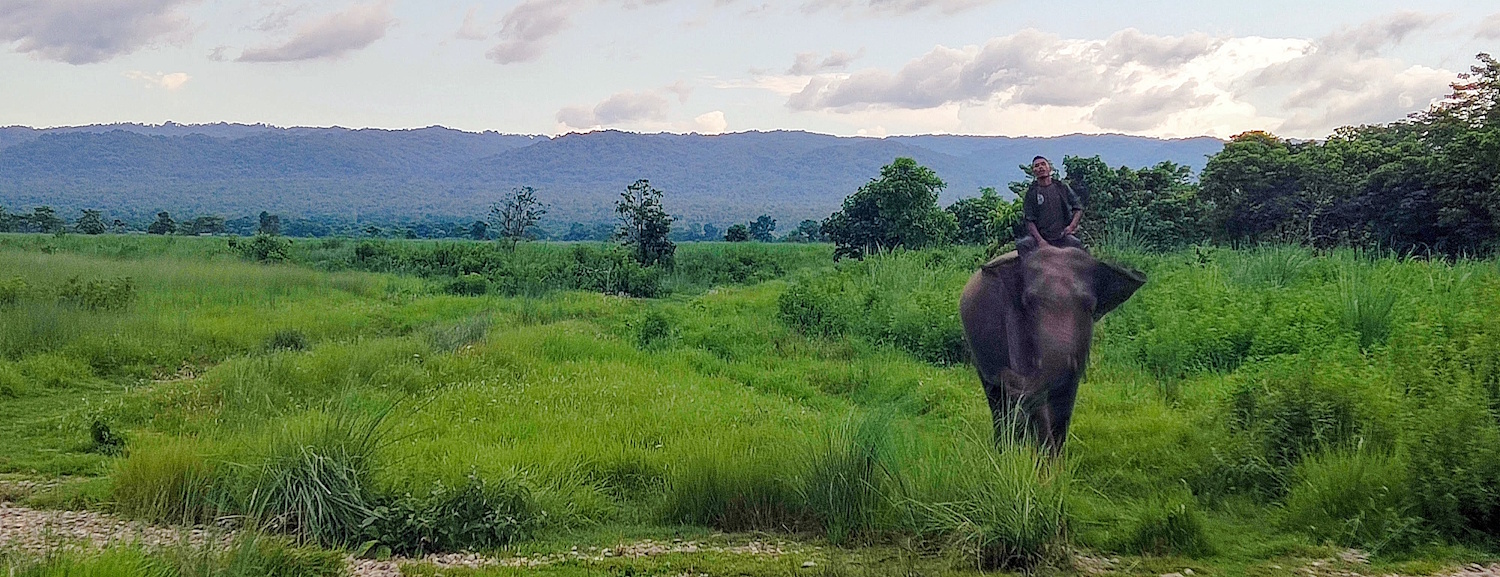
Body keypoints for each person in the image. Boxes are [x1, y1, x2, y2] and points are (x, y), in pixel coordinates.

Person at [1015, 156, 1084, 258]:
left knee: (1077, 244)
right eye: (1037, 166)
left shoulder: (1061, 187)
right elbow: (1029, 220)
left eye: (1043, 164)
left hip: (1061, 236)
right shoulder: (1032, 192)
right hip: (1040, 237)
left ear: (1049, 168)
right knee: (1023, 245)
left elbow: (1078, 208)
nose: (1040, 168)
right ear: (1034, 171)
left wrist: (1071, 227)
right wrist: (1040, 241)